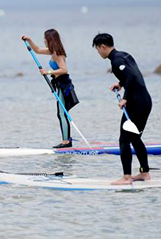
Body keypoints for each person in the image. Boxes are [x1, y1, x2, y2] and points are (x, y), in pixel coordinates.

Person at [93, 33, 152, 185]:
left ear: (103, 47)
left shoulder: (116, 61)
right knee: (135, 137)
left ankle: (126, 177)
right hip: (145, 101)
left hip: (136, 103)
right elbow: (132, 74)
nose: (98, 53)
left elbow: (132, 77)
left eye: (97, 49)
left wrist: (125, 97)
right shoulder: (124, 55)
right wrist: (120, 83)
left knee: (124, 139)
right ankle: (144, 173)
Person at [22, 30, 79, 148]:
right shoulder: (52, 52)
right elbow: (37, 50)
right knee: (61, 113)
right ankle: (66, 140)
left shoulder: (57, 54)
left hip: (63, 85)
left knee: (62, 113)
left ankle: (66, 142)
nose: (43, 40)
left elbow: (64, 70)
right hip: (59, 84)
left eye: (45, 38)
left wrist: (48, 72)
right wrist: (29, 40)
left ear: (50, 40)